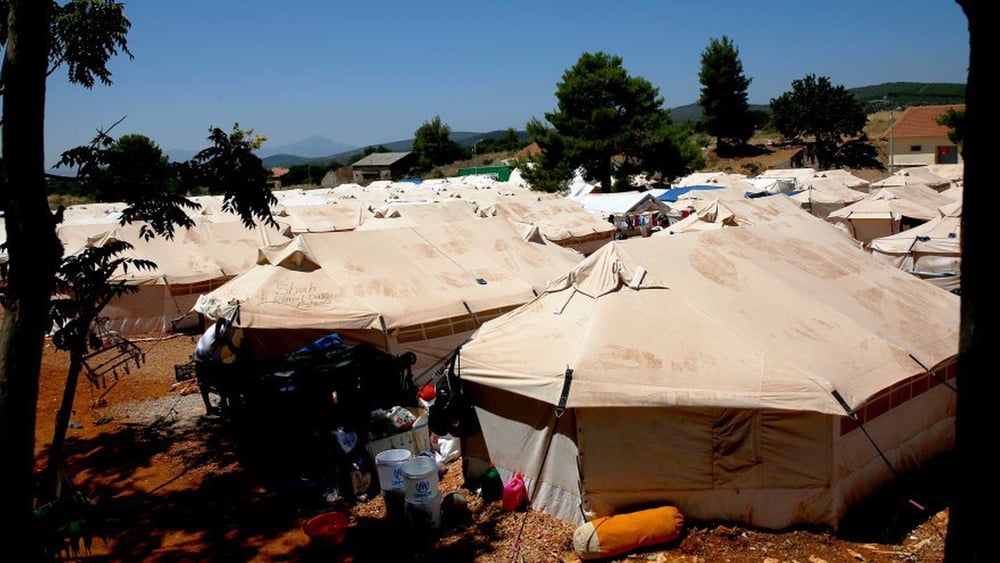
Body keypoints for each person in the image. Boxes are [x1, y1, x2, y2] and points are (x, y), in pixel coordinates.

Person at [193, 318, 244, 415]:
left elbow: (221, 340)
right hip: (210, 356)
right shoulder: (228, 329)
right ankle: (224, 407)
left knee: (203, 384)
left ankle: (208, 408)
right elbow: (228, 343)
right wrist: (238, 353)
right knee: (222, 381)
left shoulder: (215, 326)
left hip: (198, 355)